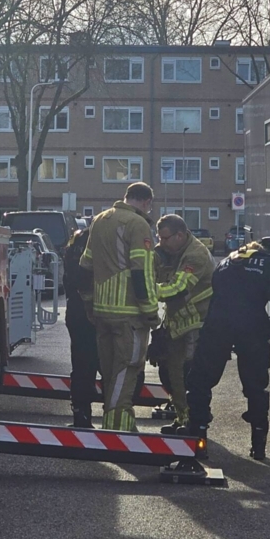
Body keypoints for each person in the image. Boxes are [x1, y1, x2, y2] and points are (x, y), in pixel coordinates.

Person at [186, 235, 270, 461]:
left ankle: (198, 437)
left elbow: (216, 291)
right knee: (255, 386)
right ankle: (258, 445)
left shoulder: (228, 261)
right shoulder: (269, 264)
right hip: (252, 327)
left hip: (217, 325)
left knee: (200, 381)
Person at [79, 182, 159, 432]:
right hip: (130, 315)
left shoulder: (100, 219)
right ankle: (117, 428)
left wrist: (90, 304)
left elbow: (85, 266)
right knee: (127, 370)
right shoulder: (138, 224)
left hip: (102, 312)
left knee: (110, 370)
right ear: (146, 202)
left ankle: (116, 423)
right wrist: (150, 311)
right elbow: (141, 271)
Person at [153, 214, 215, 435]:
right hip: (177, 325)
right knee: (170, 374)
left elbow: (177, 289)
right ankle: (182, 420)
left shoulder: (195, 255)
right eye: (158, 238)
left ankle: (195, 424)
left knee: (190, 377)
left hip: (195, 326)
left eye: (165, 238)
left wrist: (144, 292)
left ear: (180, 235)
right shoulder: (173, 251)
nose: (161, 243)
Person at [63, 227, 98, 428]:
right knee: (107, 366)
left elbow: (69, 281)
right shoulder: (98, 245)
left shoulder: (74, 245)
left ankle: (81, 414)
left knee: (81, 364)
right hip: (97, 312)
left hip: (75, 311)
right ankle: (113, 417)